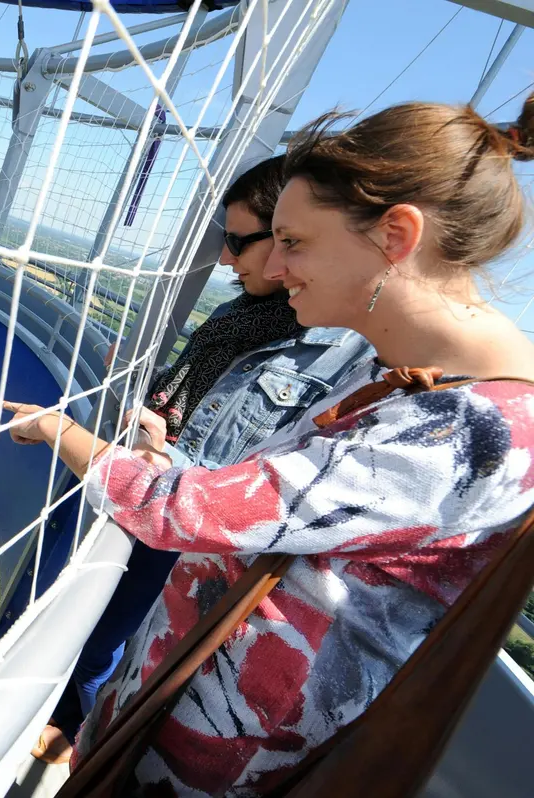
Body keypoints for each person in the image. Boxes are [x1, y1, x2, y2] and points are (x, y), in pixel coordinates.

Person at [5, 96, 534, 794]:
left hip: (215, 764)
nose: (275, 268)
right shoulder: (408, 381)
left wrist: (56, 430)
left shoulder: (475, 434)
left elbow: (181, 511)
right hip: (179, 718)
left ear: (396, 236)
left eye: (295, 241)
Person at [32, 156, 375, 763]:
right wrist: (154, 413)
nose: (227, 259)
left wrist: (83, 437)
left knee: (115, 634)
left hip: (184, 518)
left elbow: (252, 475)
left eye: (241, 241)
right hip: (151, 479)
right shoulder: (237, 315)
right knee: (96, 616)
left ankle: (82, 731)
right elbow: (206, 403)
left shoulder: (337, 356)